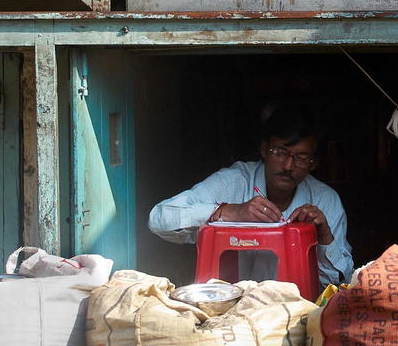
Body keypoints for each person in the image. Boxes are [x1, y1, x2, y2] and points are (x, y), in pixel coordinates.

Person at [149, 103, 354, 288]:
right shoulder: (233, 182)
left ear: (314, 162)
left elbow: (340, 287)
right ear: (264, 148)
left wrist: (325, 237)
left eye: (301, 158)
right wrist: (229, 212)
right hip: (233, 313)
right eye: (280, 152)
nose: (289, 166)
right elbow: (159, 219)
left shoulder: (325, 201)